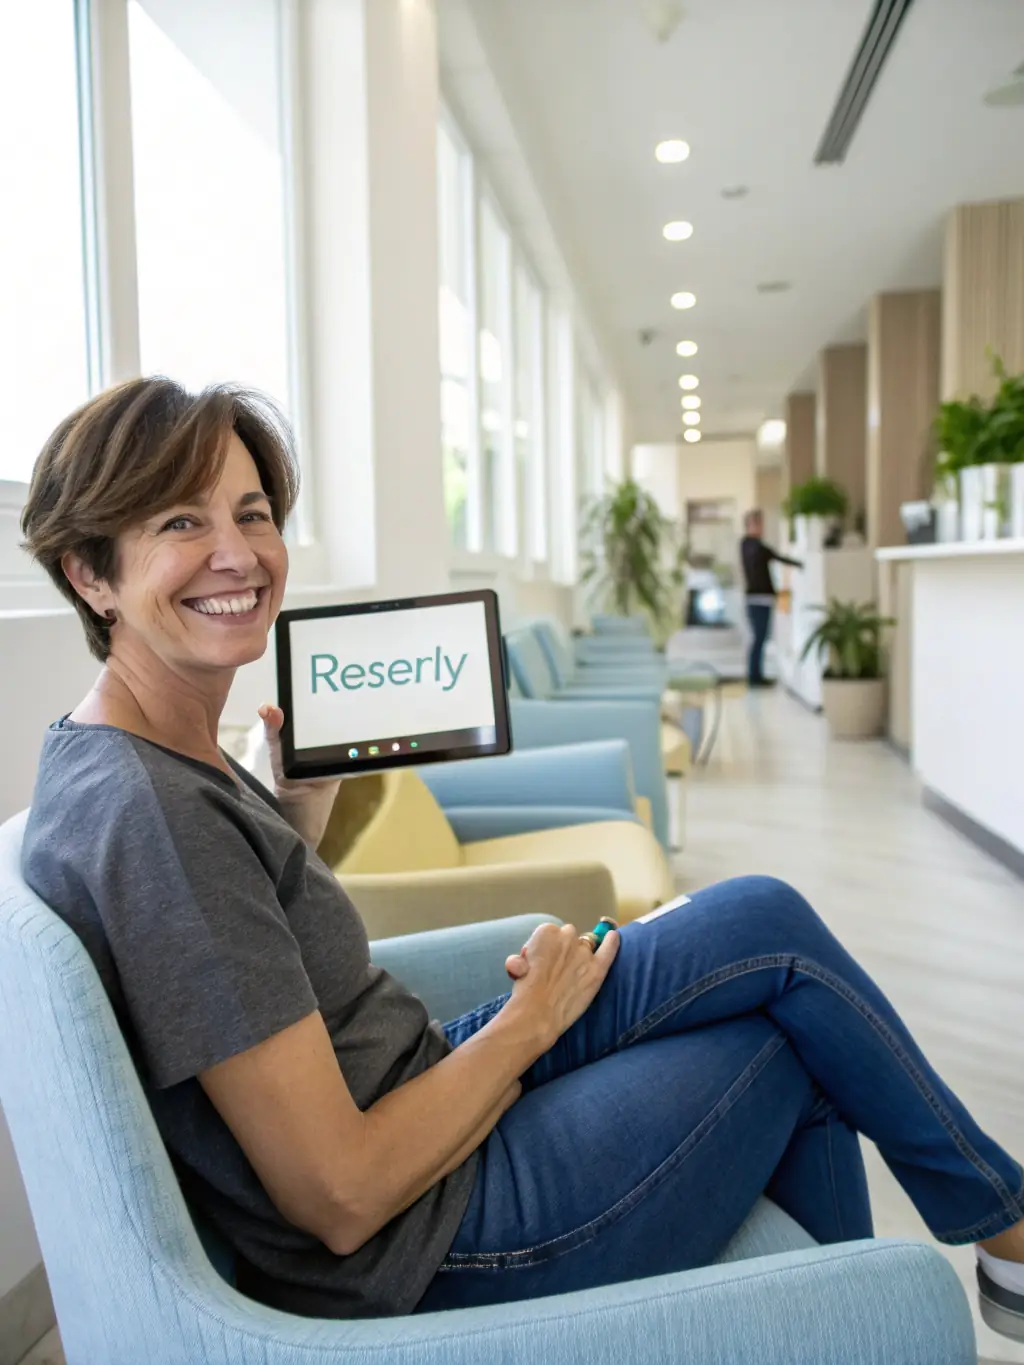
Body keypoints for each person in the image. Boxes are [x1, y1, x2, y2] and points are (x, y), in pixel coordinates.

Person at [19, 378, 1024, 1335]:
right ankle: (942, 1268)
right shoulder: (151, 817)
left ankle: (955, 1255)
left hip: (422, 1080)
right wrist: (528, 1024)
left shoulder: (140, 748)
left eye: (251, 512)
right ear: (89, 572)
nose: (236, 553)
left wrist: (292, 812)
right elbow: (340, 1194)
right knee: (788, 1043)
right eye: (180, 523)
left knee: (760, 918)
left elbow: (249, 953)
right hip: (425, 1230)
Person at [740, 508, 802, 688]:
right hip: (757, 599)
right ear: (749, 525)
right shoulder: (751, 546)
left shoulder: (757, 547)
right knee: (759, 638)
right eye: (757, 523)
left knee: (762, 638)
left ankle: (757, 675)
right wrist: (799, 564)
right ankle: (754, 677)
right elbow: (774, 556)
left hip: (763, 598)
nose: (760, 527)